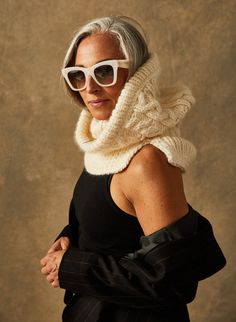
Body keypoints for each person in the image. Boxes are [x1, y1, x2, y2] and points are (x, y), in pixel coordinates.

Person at [40, 16, 226, 322]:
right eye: (78, 75)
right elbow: (117, 229)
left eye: (104, 71)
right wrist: (71, 238)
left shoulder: (147, 161)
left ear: (137, 73)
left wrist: (73, 267)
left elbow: (172, 281)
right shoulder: (109, 148)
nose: (90, 87)